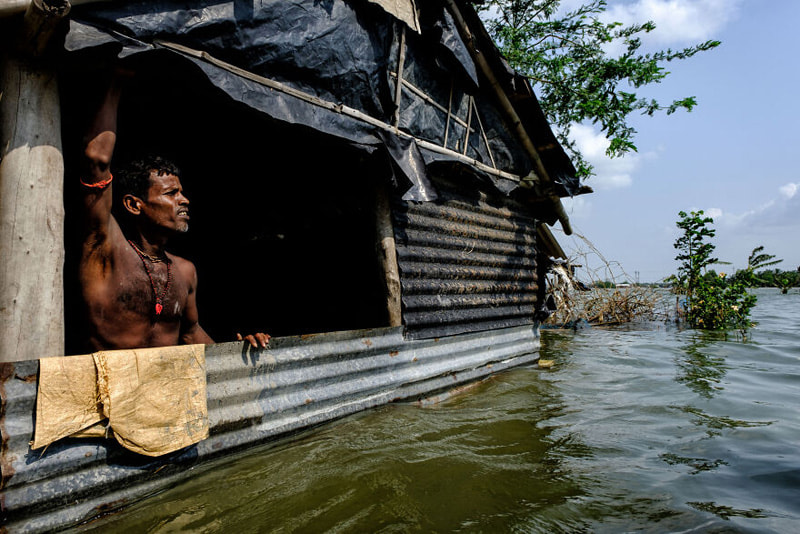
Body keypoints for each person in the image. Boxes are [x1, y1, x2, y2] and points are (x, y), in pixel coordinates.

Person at [79, 69, 269, 351]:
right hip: (109, 379)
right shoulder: (105, 248)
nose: (185, 200)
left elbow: (190, 334)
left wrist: (238, 353)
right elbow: (96, 161)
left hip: (167, 381)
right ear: (134, 205)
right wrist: (116, 80)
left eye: (181, 192)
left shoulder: (185, 271)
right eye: (171, 194)